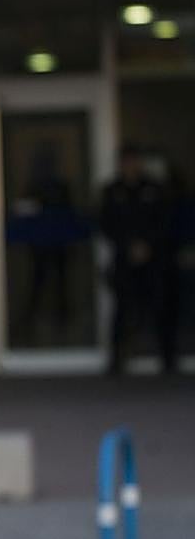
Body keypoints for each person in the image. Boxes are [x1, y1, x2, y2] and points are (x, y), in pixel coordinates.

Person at [100, 145, 177, 374]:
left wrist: (148, 245)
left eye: (134, 161)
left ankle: (167, 358)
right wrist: (128, 246)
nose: (130, 166)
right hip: (125, 259)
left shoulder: (154, 189)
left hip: (155, 259)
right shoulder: (112, 191)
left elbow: (165, 221)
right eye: (126, 161)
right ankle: (117, 359)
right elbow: (106, 223)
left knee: (160, 307)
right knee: (123, 309)